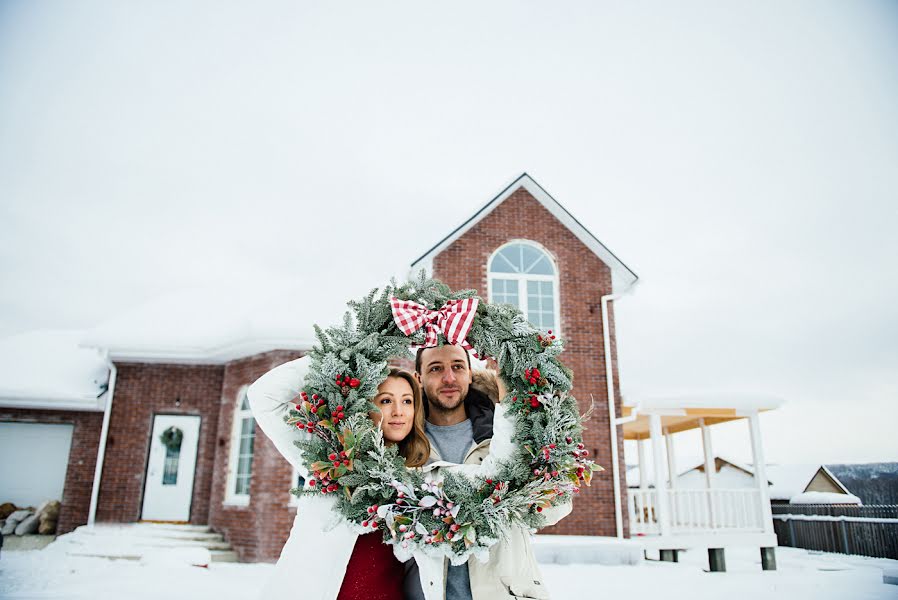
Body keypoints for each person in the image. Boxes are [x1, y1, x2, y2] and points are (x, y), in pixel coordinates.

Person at [247, 358, 430, 600]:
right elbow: (264, 396)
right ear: (367, 406)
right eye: (386, 400)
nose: (398, 411)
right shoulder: (330, 456)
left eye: (407, 401)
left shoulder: (422, 477)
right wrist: (344, 355)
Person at [404, 343, 571, 600]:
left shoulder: (510, 431)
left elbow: (555, 508)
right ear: (418, 378)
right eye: (436, 368)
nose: (449, 378)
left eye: (458, 367)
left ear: (470, 373)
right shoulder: (402, 444)